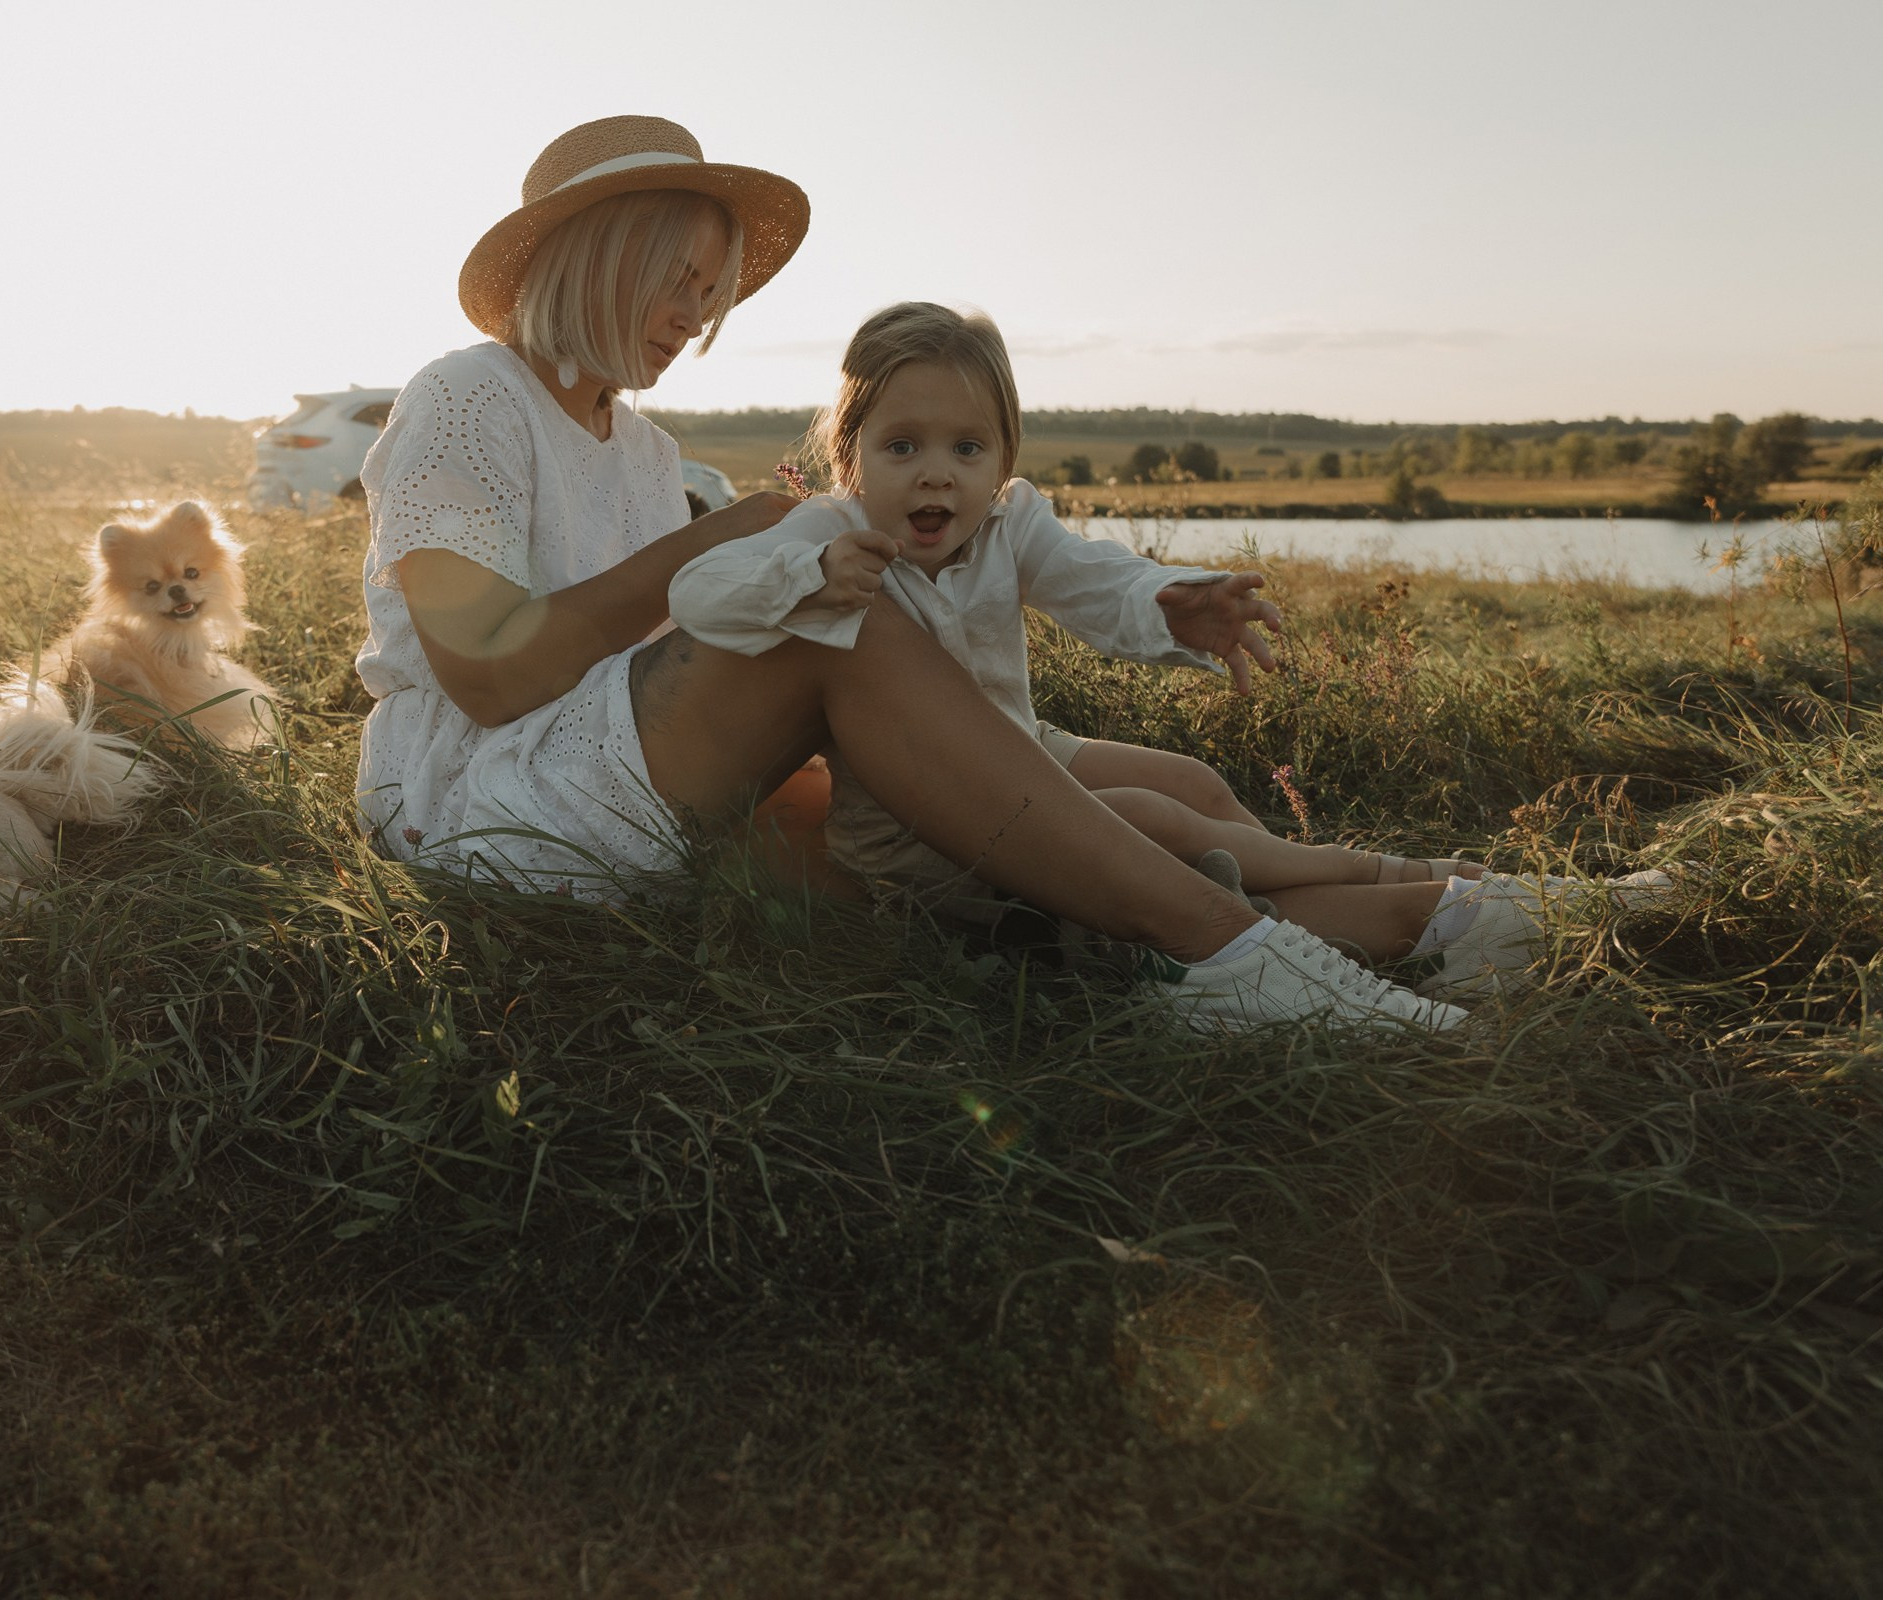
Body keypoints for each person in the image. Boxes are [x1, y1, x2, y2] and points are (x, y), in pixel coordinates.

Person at [353, 114, 1465, 1032]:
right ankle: (1233, 958)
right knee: (840, 625)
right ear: (598, 258)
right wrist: (714, 540)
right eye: (677, 279)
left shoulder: (640, 451)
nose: (698, 317)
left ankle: (1449, 911)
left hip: (642, 782)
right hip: (478, 799)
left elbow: (685, 686)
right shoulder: (467, 396)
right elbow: (487, 673)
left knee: (1152, 800)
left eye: (713, 287)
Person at [667, 301, 1493, 940]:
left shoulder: (1007, 524)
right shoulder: (829, 533)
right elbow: (698, 593)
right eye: (902, 447)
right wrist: (805, 578)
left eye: (966, 449)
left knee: (1190, 785)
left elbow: (1095, 579)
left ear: (1002, 461)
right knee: (1148, 821)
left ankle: (1284, 899)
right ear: (849, 459)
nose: (936, 477)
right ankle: (1378, 884)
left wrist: (1169, 603)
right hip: (911, 834)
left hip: (1023, 755)